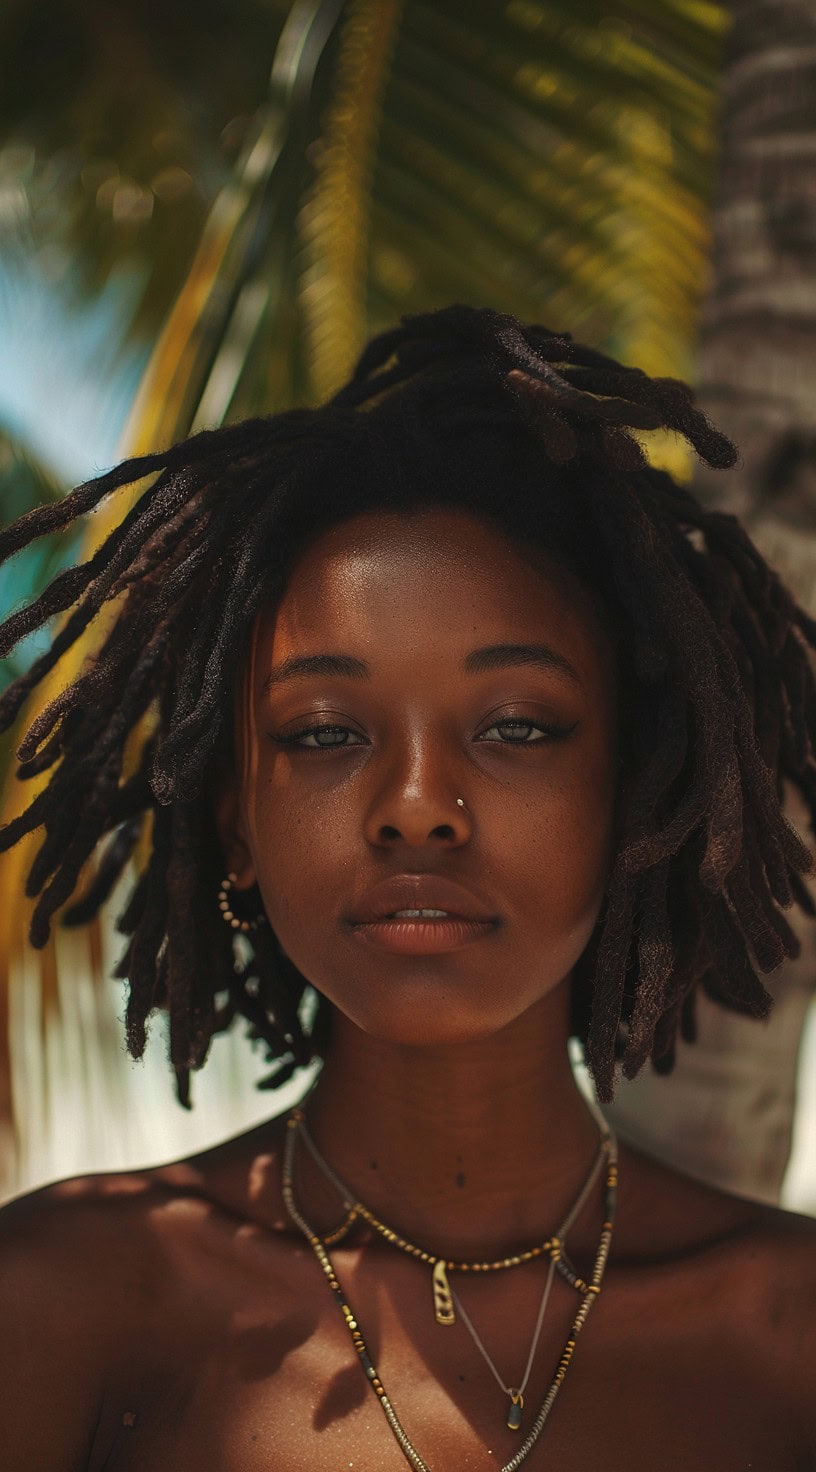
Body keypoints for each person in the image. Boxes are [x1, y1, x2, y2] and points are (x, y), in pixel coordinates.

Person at [0, 304, 814, 1471]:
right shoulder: (66, 1303)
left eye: (518, 725)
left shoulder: (786, 1336)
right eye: (327, 732)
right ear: (237, 820)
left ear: (631, 796)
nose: (418, 801)